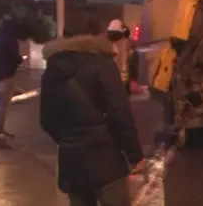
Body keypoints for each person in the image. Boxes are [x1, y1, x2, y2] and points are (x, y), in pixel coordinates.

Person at [40, 22, 146, 205]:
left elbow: (46, 120)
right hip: (105, 158)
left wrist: (69, 139)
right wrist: (134, 155)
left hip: (71, 162)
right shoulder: (103, 64)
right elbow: (119, 113)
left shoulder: (52, 70)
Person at [0, 16, 28, 140]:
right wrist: (20, 60)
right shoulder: (11, 40)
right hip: (6, 76)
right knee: (4, 104)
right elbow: (13, 57)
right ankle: (0, 130)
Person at [107, 19, 134, 95]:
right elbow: (131, 60)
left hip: (110, 79)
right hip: (124, 79)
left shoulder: (106, 43)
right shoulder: (127, 43)